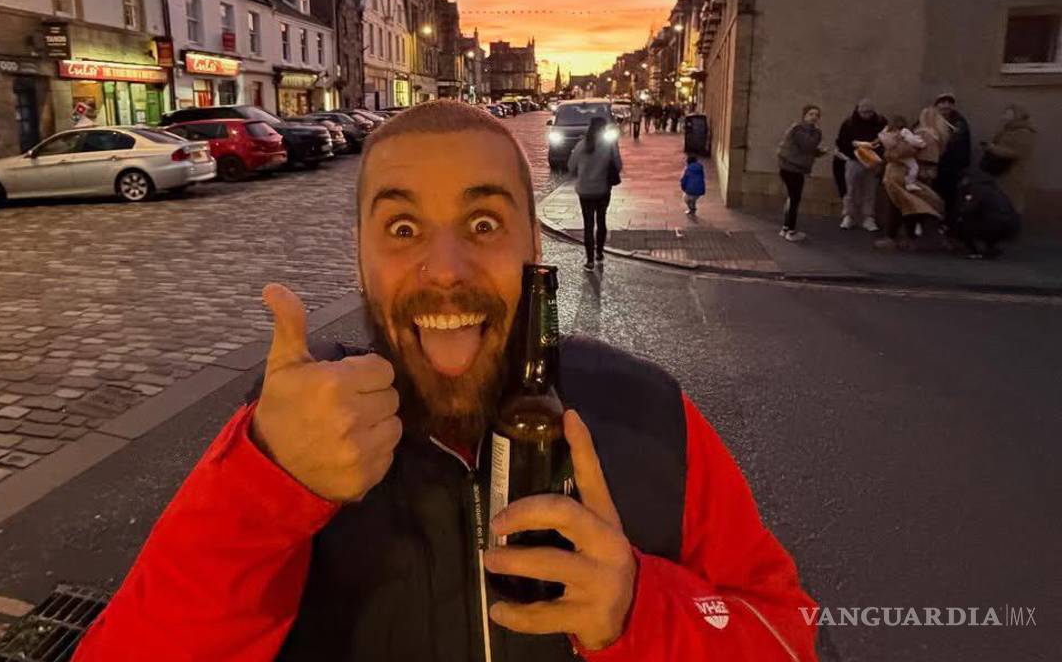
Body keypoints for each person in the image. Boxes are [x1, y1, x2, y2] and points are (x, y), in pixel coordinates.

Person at [74, 101, 816, 662]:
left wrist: (641, 612)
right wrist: (262, 491)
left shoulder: (651, 414)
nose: (446, 270)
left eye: (485, 224)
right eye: (402, 230)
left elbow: (786, 634)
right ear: (359, 259)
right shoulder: (282, 444)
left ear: (535, 245)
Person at [873, 110, 946, 250]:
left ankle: (893, 237)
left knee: (898, 205)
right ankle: (910, 238)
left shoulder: (924, 135)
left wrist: (890, 154)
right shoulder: (937, 136)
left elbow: (903, 152)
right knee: (913, 206)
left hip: (906, 173)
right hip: (922, 174)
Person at [568, 117, 622, 270]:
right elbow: (618, 165)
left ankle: (590, 260)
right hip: (602, 189)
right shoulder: (609, 145)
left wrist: (582, 171)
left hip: (585, 190)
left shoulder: (581, 144)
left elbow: (571, 165)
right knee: (601, 220)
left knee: (588, 225)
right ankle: (599, 253)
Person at [776, 104, 828, 242]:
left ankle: (786, 228)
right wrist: (818, 134)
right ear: (804, 116)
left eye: (817, 115)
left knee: (792, 198)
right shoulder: (799, 129)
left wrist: (819, 152)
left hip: (794, 168)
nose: (814, 117)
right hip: (791, 169)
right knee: (794, 199)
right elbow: (807, 145)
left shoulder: (808, 131)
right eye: (811, 114)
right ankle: (791, 231)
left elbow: (806, 150)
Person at [833, 98, 886, 231]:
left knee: (870, 190)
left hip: (872, 161)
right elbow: (841, 142)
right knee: (850, 189)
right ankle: (849, 216)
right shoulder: (849, 123)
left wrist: (876, 155)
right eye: (863, 112)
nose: (866, 115)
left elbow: (885, 141)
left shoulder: (880, 122)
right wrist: (854, 153)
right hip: (853, 160)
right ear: (858, 111)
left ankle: (868, 217)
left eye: (869, 112)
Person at [979, 104, 1036, 215]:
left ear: (1017, 116)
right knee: (1001, 201)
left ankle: (1013, 220)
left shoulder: (1024, 132)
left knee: (1013, 201)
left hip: (1014, 173)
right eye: (1005, 113)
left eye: (1008, 114)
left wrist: (993, 148)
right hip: (1001, 171)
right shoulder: (1006, 129)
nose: (1004, 116)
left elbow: (1016, 152)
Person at [951, 169, 1020, 259]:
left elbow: (967, 209)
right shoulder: (993, 189)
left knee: (962, 224)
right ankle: (991, 249)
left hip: (994, 224)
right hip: (1010, 226)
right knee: (986, 220)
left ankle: (973, 251)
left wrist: (956, 215)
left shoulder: (975, 189)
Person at [933, 93, 972, 220]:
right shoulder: (929, 119)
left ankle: (948, 222)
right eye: (942, 102)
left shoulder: (959, 122)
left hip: (952, 167)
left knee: (951, 197)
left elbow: (958, 144)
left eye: (949, 103)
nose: (946, 106)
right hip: (934, 165)